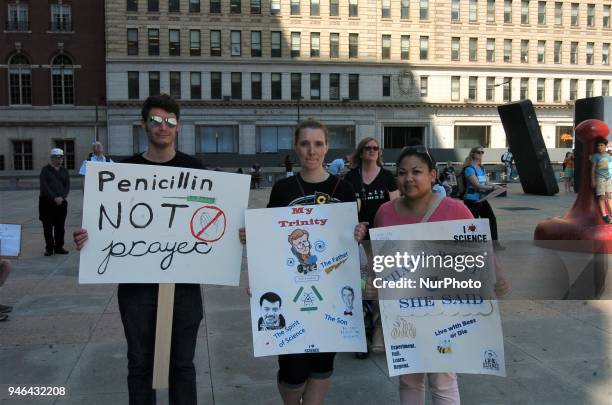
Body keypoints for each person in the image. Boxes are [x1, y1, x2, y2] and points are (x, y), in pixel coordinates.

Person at [73, 94, 206, 404]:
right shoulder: (124, 170)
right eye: (156, 121)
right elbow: (105, 222)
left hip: (184, 285)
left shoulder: (195, 168)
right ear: (144, 124)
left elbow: (209, 218)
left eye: (170, 121)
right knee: (140, 363)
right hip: (137, 287)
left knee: (182, 365)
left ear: (178, 126)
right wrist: (87, 238)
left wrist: (233, 235)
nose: (163, 127)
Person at [364, 143, 509, 405]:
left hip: (444, 309)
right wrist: (374, 283)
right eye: (402, 172)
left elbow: (480, 249)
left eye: (417, 171)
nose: (409, 178)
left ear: (432, 175)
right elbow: (379, 257)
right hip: (403, 309)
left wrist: (496, 278)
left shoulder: (455, 209)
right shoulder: (385, 213)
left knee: (443, 379)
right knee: (408, 377)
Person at [240, 117, 362, 405]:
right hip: (291, 294)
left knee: (322, 365)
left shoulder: (343, 190)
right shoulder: (283, 189)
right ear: (296, 147)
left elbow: (348, 241)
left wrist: (359, 231)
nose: (312, 151)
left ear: (327, 147)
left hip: (330, 293)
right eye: (305, 144)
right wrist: (253, 239)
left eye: (318, 144)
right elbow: (270, 238)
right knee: (292, 371)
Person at [344, 137, 399, 358]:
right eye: (368, 148)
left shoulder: (387, 177)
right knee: (360, 283)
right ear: (360, 152)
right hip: (357, 238)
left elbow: (394, 206)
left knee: (380, 283)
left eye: (376, 148)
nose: (372, 151)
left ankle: (377, 328)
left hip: (382, 237)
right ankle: (361, 331)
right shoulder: (350, 177)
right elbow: (346, 208)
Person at [462, 146, 504, 242]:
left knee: (491, 219)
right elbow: (477, 185)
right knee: (472, 224)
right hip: (471, 201)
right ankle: (472, 245)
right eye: (479, 152)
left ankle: (494, 244)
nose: (481, 154)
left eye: (482, 152)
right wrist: (493, 188)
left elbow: (486, 183)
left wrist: (498, 187)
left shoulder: (481, 168)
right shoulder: (469, 169)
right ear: (473, 154)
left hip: (482, 199)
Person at [39, 148, 70, 256]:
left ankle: (59, 247)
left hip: (61, 203)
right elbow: (45, 186)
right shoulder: (45, 170)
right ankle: (49, 248)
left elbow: (67, 186)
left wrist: (62, 197)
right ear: (52, 158)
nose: (60, 159)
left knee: (60, 227)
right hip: (46, 202)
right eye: (58, 157)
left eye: (61, 157)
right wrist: (54, 198)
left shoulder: (64, 171)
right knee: (47, 226)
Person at [590, 138, 612, 223]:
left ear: (605, 146)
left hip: (608, 178)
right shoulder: (595, 156)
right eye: (598, 145)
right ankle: (604, 215)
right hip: (600, 178)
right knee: (602, 196)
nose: (599, 147)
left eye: (602, 145)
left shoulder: (609, 156)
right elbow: (592, 169)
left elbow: (610, 167)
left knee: (609, 196)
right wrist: (593, 180)